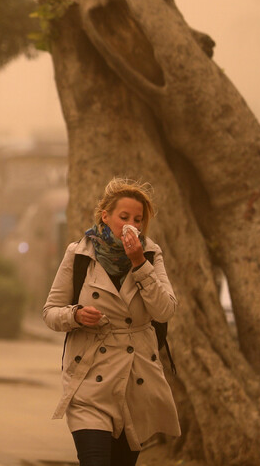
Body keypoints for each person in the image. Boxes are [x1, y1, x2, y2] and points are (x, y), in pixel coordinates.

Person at [43, 178, 180, 466]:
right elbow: (51, 312)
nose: (132, 225)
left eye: (138, 220)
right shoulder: (79, 253)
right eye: (124, 217)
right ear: (106, 216)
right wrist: (76, 315)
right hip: (89, 380)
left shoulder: (151, 255)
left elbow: (165, 310)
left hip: (134, 381)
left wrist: (140, 264)